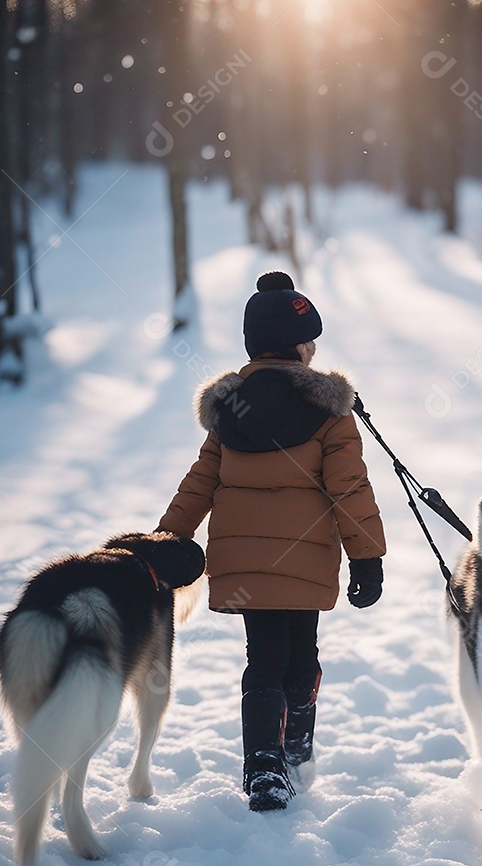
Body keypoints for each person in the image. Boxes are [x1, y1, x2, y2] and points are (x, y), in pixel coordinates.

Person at [158, 271, 386, 812]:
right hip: (305, 563)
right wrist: (367, 556)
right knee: (301, 656)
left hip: (243, 567)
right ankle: (296, 748)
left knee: (263, 657)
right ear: (300, 345)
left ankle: (263, 767)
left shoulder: (228, 413)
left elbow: (201, 481)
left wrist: (168, 538)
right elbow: (349, 487)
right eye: (311, 339)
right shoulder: (330, 411)